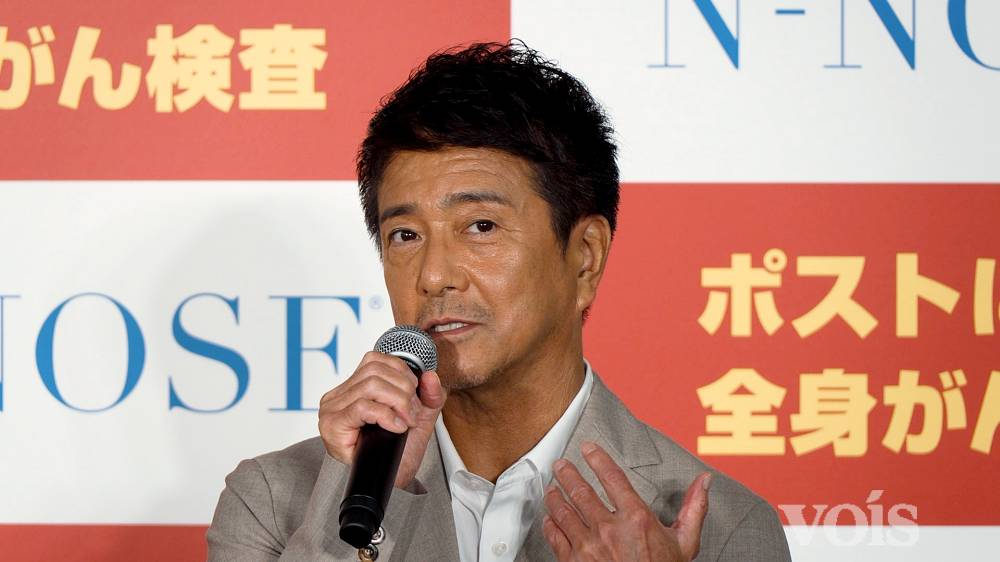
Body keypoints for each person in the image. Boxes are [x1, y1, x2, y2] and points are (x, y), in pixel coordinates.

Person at [206, 41, 792, 562]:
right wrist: (352, 524)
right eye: (405, 235)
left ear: (585, 257)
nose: (433, 276)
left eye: (480, 226)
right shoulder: (274, 502)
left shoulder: (718, 526)